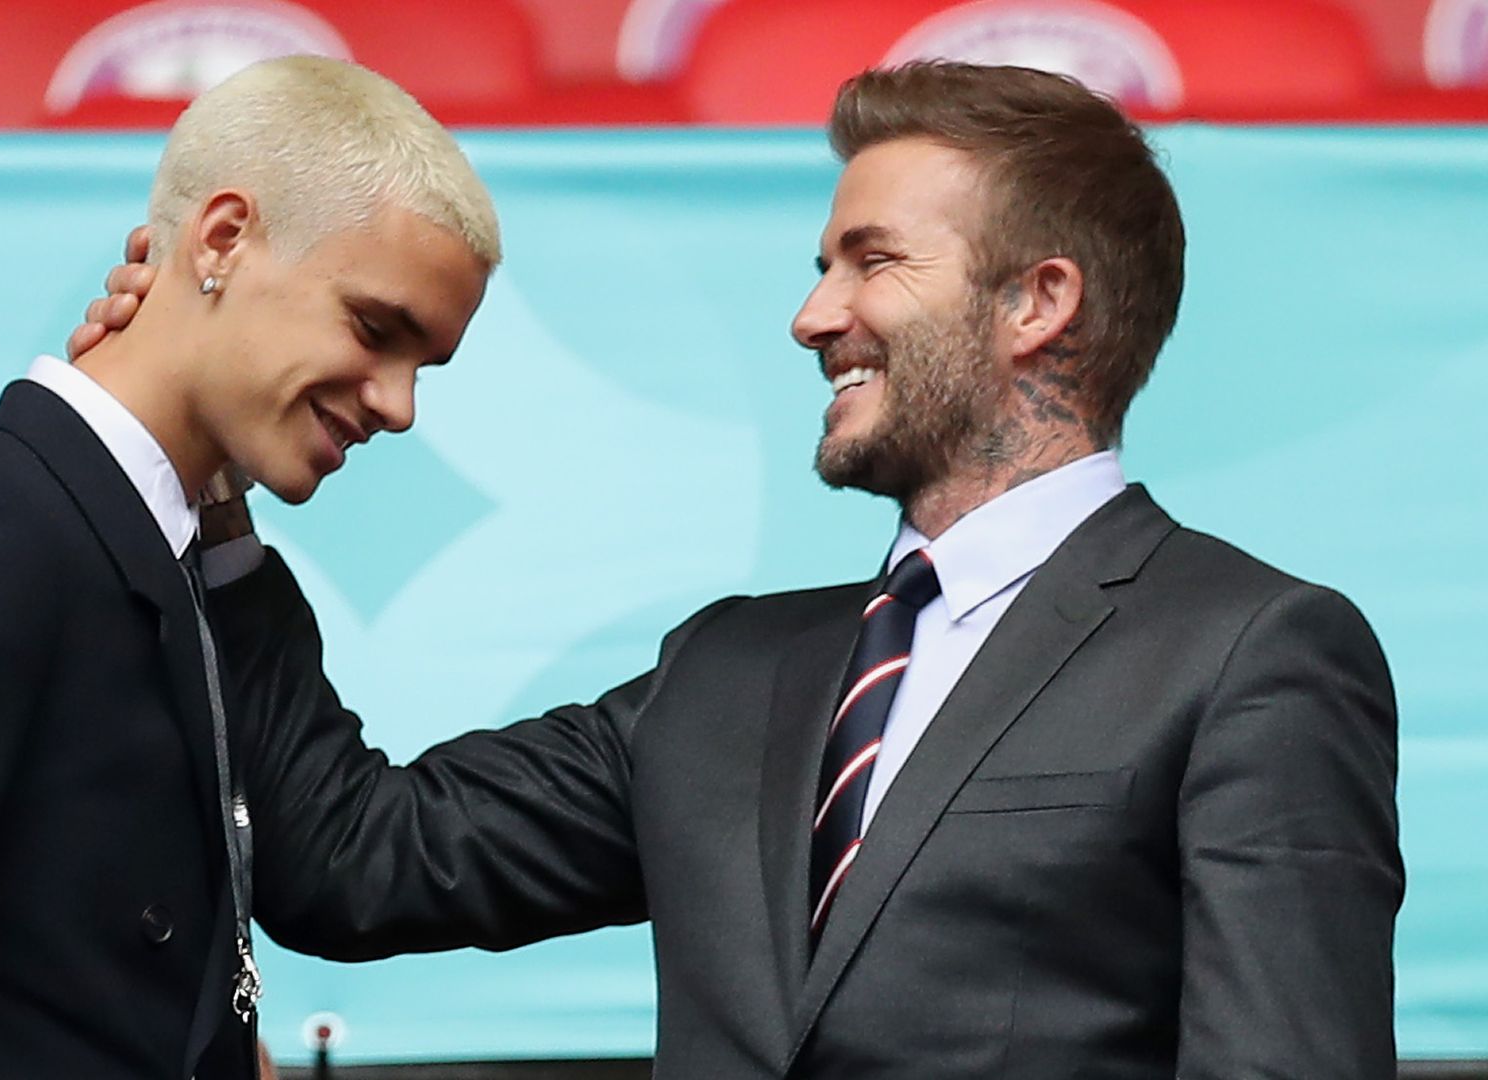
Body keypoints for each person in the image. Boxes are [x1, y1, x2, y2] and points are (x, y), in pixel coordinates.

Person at [82, 61, 1402, 1078]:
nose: (813, 314)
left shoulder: (1251, 654)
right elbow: (358, 858)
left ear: (1036, 304)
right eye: (821, 264)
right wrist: (201, 497)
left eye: (871, 260)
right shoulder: (729, 671)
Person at [0, 56, 497, 1080]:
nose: (398, 405)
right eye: (376, 330)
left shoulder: (157, 548)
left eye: (424, 365)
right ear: (223, 239)